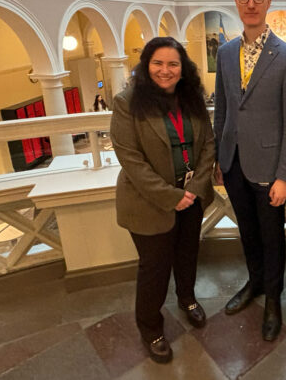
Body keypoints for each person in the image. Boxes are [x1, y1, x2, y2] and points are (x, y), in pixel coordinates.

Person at [110, 37, 215, 364]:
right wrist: (171, 197)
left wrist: (194, 189)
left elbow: (208, 144)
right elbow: (131, 159)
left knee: (187, 254)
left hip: (191, 197)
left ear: (183, 69)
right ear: (146, 65)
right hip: (149, 202)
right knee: (154, 269)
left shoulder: (191, 98)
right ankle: (151, 327)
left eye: (173, 64)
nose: (165, 71)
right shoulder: (127, 102)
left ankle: (187, 299)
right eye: (158, 63)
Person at [214, 0, 286, 341]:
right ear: (236, 1)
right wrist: (220, 160)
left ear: (269, 1)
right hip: (234, 163)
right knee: (247, 232)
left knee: (272, 237)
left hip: (270, 169)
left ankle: (273, 300)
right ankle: (253, 284)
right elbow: (223, 110)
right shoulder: (224, 52)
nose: (250, 3)